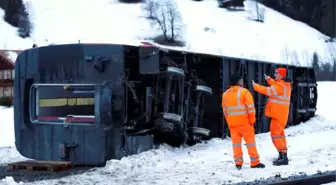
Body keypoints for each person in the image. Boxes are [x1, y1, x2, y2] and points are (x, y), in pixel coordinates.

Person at [222, 73, 265, 170]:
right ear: (238, 81)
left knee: (236, 144)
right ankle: (255, 162)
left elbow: (225, 111)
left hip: (233, 124)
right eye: (241, 80)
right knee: (250, 143)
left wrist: (229, 122)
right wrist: (252, 121)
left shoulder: (225, 94)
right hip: (245, 123)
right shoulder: (245, 92)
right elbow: (251, 109)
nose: (242, 81)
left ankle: (238, 163)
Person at [252, 67, 291, 166]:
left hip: (278, 116)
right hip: (281, 115)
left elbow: (268, 91)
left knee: (275, 135)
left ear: (282, 75)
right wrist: (269, 79)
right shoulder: (284, 85)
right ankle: (283, 155)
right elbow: (275, 85)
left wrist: (255, 86)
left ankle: (283, 157)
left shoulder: (280, 86)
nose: (275, 74)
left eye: (276, 73)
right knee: (280, 135)